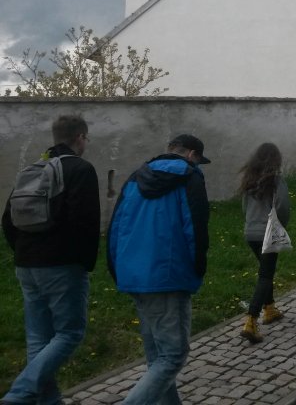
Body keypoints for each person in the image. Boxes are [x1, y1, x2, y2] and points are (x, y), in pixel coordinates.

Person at [2, 114, 100, 405]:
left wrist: (22, 251)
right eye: (86, 138)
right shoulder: (80, 169)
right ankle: (20, 393)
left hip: (26, 264)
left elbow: (7, 219)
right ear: (80, 137)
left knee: (38, 338)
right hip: (62, 264)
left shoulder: (32, 168)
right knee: (70, 333)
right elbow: (85, 222)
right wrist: (85, 262)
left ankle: (49, 400)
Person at [107, 134, 211, 405]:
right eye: (198, 159)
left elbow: (115, 226)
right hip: (169, 275)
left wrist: (117, 268)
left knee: (157, 357)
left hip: (133, 273)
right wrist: (198, 268)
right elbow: (196, 228)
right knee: (173, 355)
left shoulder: (135, 177)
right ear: (191, 154)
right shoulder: (190, 177)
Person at [238, 142, 291, 344]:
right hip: (268, 233)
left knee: (265, 270)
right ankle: (251, 320)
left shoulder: (248, 180)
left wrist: (251, 222)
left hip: (250, 232)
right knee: (266, 275)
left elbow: (244, 207)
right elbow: (283, 206)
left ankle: (270, 309)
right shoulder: (276, 181)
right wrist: (280, 226)